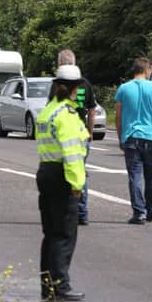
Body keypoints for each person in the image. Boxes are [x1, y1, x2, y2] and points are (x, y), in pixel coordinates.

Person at [36, 64, 89, 301]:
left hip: (46, 171)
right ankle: (61, 285)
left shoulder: (49, 110)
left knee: (50, 234)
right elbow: (72, 154)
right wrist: (78, 185)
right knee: (64, 234)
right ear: (74, 89)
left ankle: (47, 285)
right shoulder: (67, 115)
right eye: (78, 88)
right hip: (62, 176)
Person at [115, 57, 152, 224]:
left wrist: (120, 138)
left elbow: (118, 116)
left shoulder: (123, 89)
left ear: (135, 70)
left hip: (131, 138)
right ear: (147, 70)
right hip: (150, 138)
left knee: (135, 177)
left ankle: (139, 213)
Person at [48, 49, 96, 225]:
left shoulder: (57, 86)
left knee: (63, 174)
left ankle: (66, 211)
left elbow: (52, 108)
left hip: (63, 134)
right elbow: (92, 110)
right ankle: (82, 212)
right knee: (79, 172)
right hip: (81, 134)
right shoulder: (86, 84)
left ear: (61, 63)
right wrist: (90, 132)